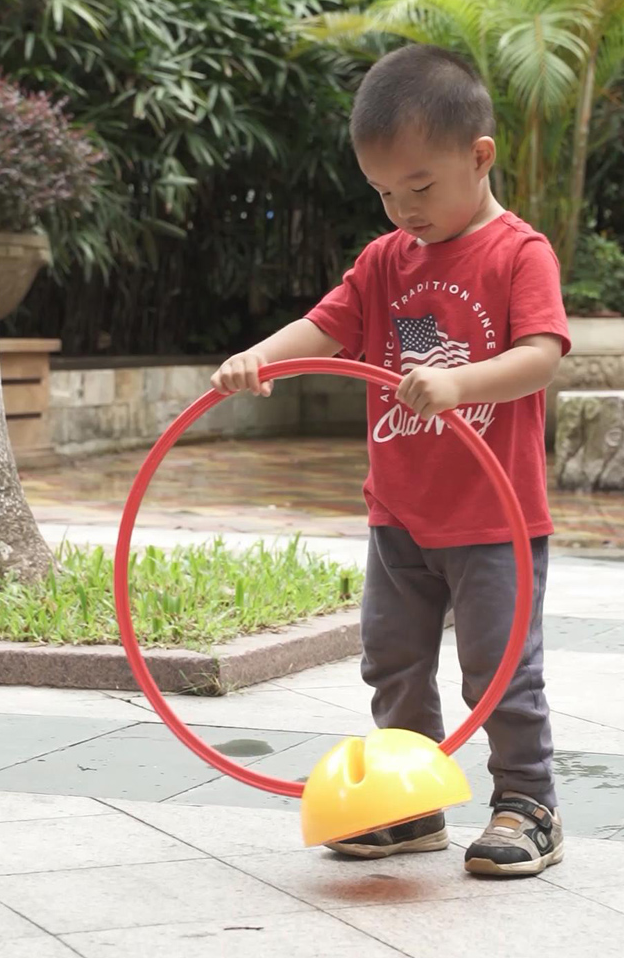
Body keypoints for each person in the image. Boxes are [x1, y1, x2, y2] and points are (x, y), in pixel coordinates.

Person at [212, 44, 570, 876]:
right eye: (384, 192)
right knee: (393, 662)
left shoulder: (520, 253)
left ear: (479, 157)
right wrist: (260, 359)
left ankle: (529, 802)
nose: (404, 209)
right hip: (400, 513)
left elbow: (542, 355)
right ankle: (409, 807)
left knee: (499, 669)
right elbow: (325, 325)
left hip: (494, 519)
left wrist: (459, 384)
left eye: (420, 187)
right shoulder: (384, 261)